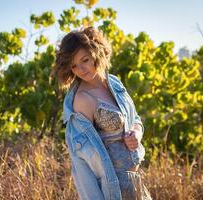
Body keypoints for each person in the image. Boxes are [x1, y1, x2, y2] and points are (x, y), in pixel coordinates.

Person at [52, 26, 152, 200]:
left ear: (96, 52)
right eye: (74, 66)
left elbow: (134, 117)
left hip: (137, 183)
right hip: (113, 191)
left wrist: (136, 132)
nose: (81, 69)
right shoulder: (83, 99)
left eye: (85, 60)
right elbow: (81, 164)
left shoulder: (114, 82)